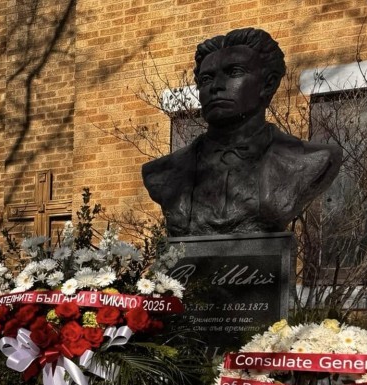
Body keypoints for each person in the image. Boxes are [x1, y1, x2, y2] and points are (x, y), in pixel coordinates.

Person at [142, 27, 341, 236]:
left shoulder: (308, 160)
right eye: (206, 79)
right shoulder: (163, 172)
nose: (216, 86)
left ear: (268, 83)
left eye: (234, 72)